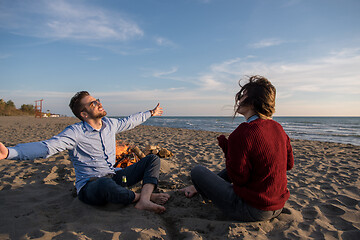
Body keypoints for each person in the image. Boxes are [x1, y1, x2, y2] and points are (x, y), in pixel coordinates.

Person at [0, 91, 170, 213]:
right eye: (93, 103)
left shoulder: (110, 124)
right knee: (105, 185)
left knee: (152, 159)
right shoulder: (75, 132)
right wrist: (9, 152)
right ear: (84, 113)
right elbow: (47, 147)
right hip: (92, 186)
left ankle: (145, 199)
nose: (99, 103)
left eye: (97, 100)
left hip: (118, 178)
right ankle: (139, 196)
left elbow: (129, 121)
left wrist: (150, 113)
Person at [180, 75, 294, 221]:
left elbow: (239, 178)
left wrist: (229, 151)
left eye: (242, 96)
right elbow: (289, 165)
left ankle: (199, 188)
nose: (239, 100)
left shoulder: (243, 133)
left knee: (197, 171)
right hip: (278, 206)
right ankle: (195, 188)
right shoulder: (279, 128)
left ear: (252, 102)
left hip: (252, 209)